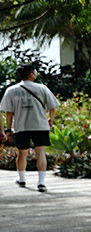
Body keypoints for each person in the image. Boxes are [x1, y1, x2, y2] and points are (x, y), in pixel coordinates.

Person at [2, 63, 60, 192]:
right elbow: (52, 107)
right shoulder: (42, 88)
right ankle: (41, 182)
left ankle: (22, 179)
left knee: (22, 153)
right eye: (35, 72)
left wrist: (8, 130)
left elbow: (9, 113)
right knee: (41, 153)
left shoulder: (11, 90)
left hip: (21, 126)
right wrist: (51, 119)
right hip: (40, 125)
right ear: (31, 75)